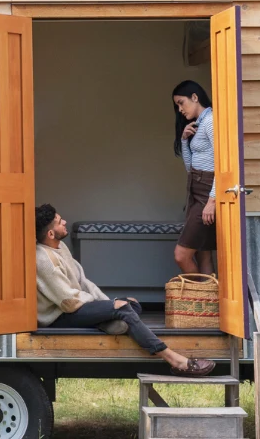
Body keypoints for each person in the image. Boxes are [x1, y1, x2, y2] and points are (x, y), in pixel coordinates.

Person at [35, 204, 216, 376]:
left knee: (131, 304)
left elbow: (83, 281)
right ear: (51, 233)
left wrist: (108, 305)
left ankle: (109, 322)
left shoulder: (60, 247)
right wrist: (111, 307)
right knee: (122, 309)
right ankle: (175, 360)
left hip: (77, 306)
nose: (65, 222)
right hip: (60, 316)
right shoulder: (43, 259)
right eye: (59, 222)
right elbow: (69, 301)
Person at [172, 80, 216, 276]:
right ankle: (209, 304)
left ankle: (200, 299)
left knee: (181, 255)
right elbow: (190, 168)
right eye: (177, 105)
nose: (180, 109)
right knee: (202, 254)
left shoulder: (211, 121)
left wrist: (212, 200)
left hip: (207, 192)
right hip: (195, 190)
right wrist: (184, 140)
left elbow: (222, 164)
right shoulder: (197, 125)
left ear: (195, 97)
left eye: (181, 103)